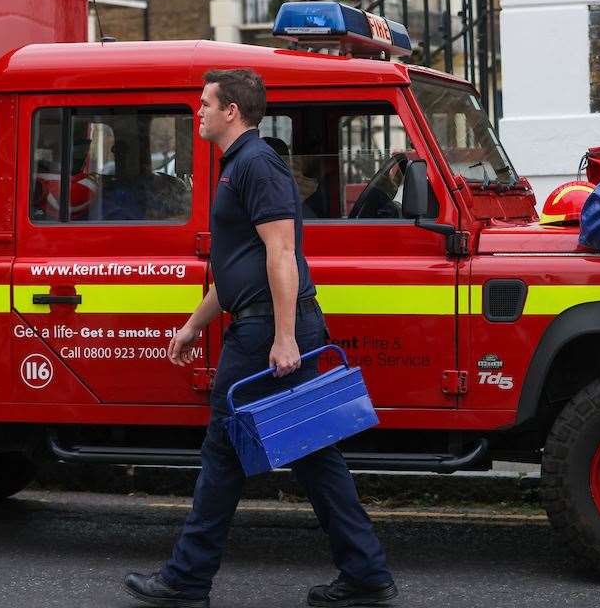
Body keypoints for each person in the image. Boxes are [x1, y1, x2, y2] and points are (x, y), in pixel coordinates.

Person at [123, 69, 397, 608]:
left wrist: (286, 337)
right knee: (314, 451)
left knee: (224, 450)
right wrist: (193, 326)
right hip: (262, 321)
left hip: (267, 330)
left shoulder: (256, 164)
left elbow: (281, 253)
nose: (196, 111)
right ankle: (365, 573)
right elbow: (240, 268)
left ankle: (185, 580)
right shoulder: (237, 166)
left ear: (232, 111)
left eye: (205, 103)